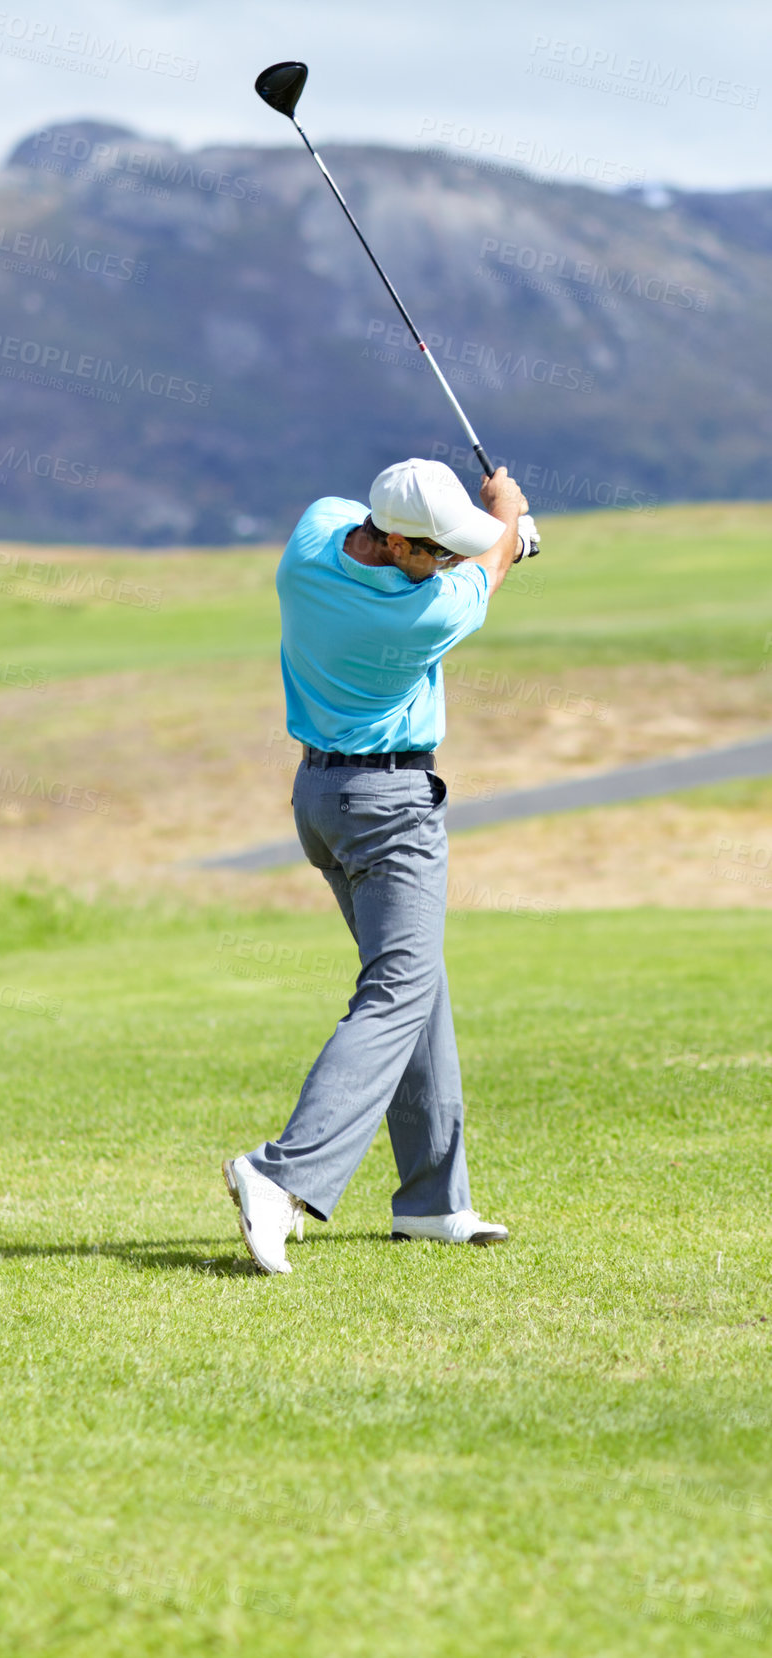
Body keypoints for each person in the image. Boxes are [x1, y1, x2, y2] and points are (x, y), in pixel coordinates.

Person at [223, 456, 533, 1274]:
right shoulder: (418, 618)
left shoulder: (312, 539)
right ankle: (279, 1171)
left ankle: (433, 1203)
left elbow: (467, 556)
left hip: (320, 802)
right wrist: (508, 519)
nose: (441, 561)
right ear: (396, 543)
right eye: (432, 550)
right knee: (396, 992)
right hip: (388, 808)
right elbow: (488, 570)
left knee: (414, 982)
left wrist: (485, 533)